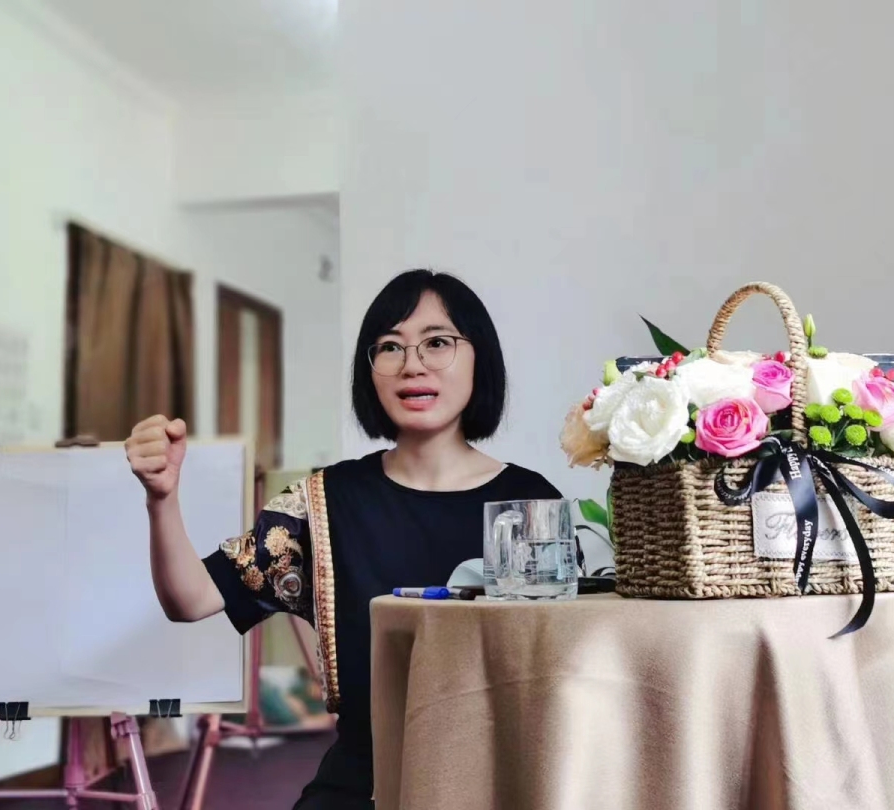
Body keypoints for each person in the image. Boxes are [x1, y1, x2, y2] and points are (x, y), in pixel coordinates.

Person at [125, 269, 570, 809]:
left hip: (501, 782)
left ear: (481, 357)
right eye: (390, 347)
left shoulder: (532, 504)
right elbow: (190, 600)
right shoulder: (325, 500)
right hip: (367, 780)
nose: (412, 365)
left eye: (437, 343)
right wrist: (161, 498)